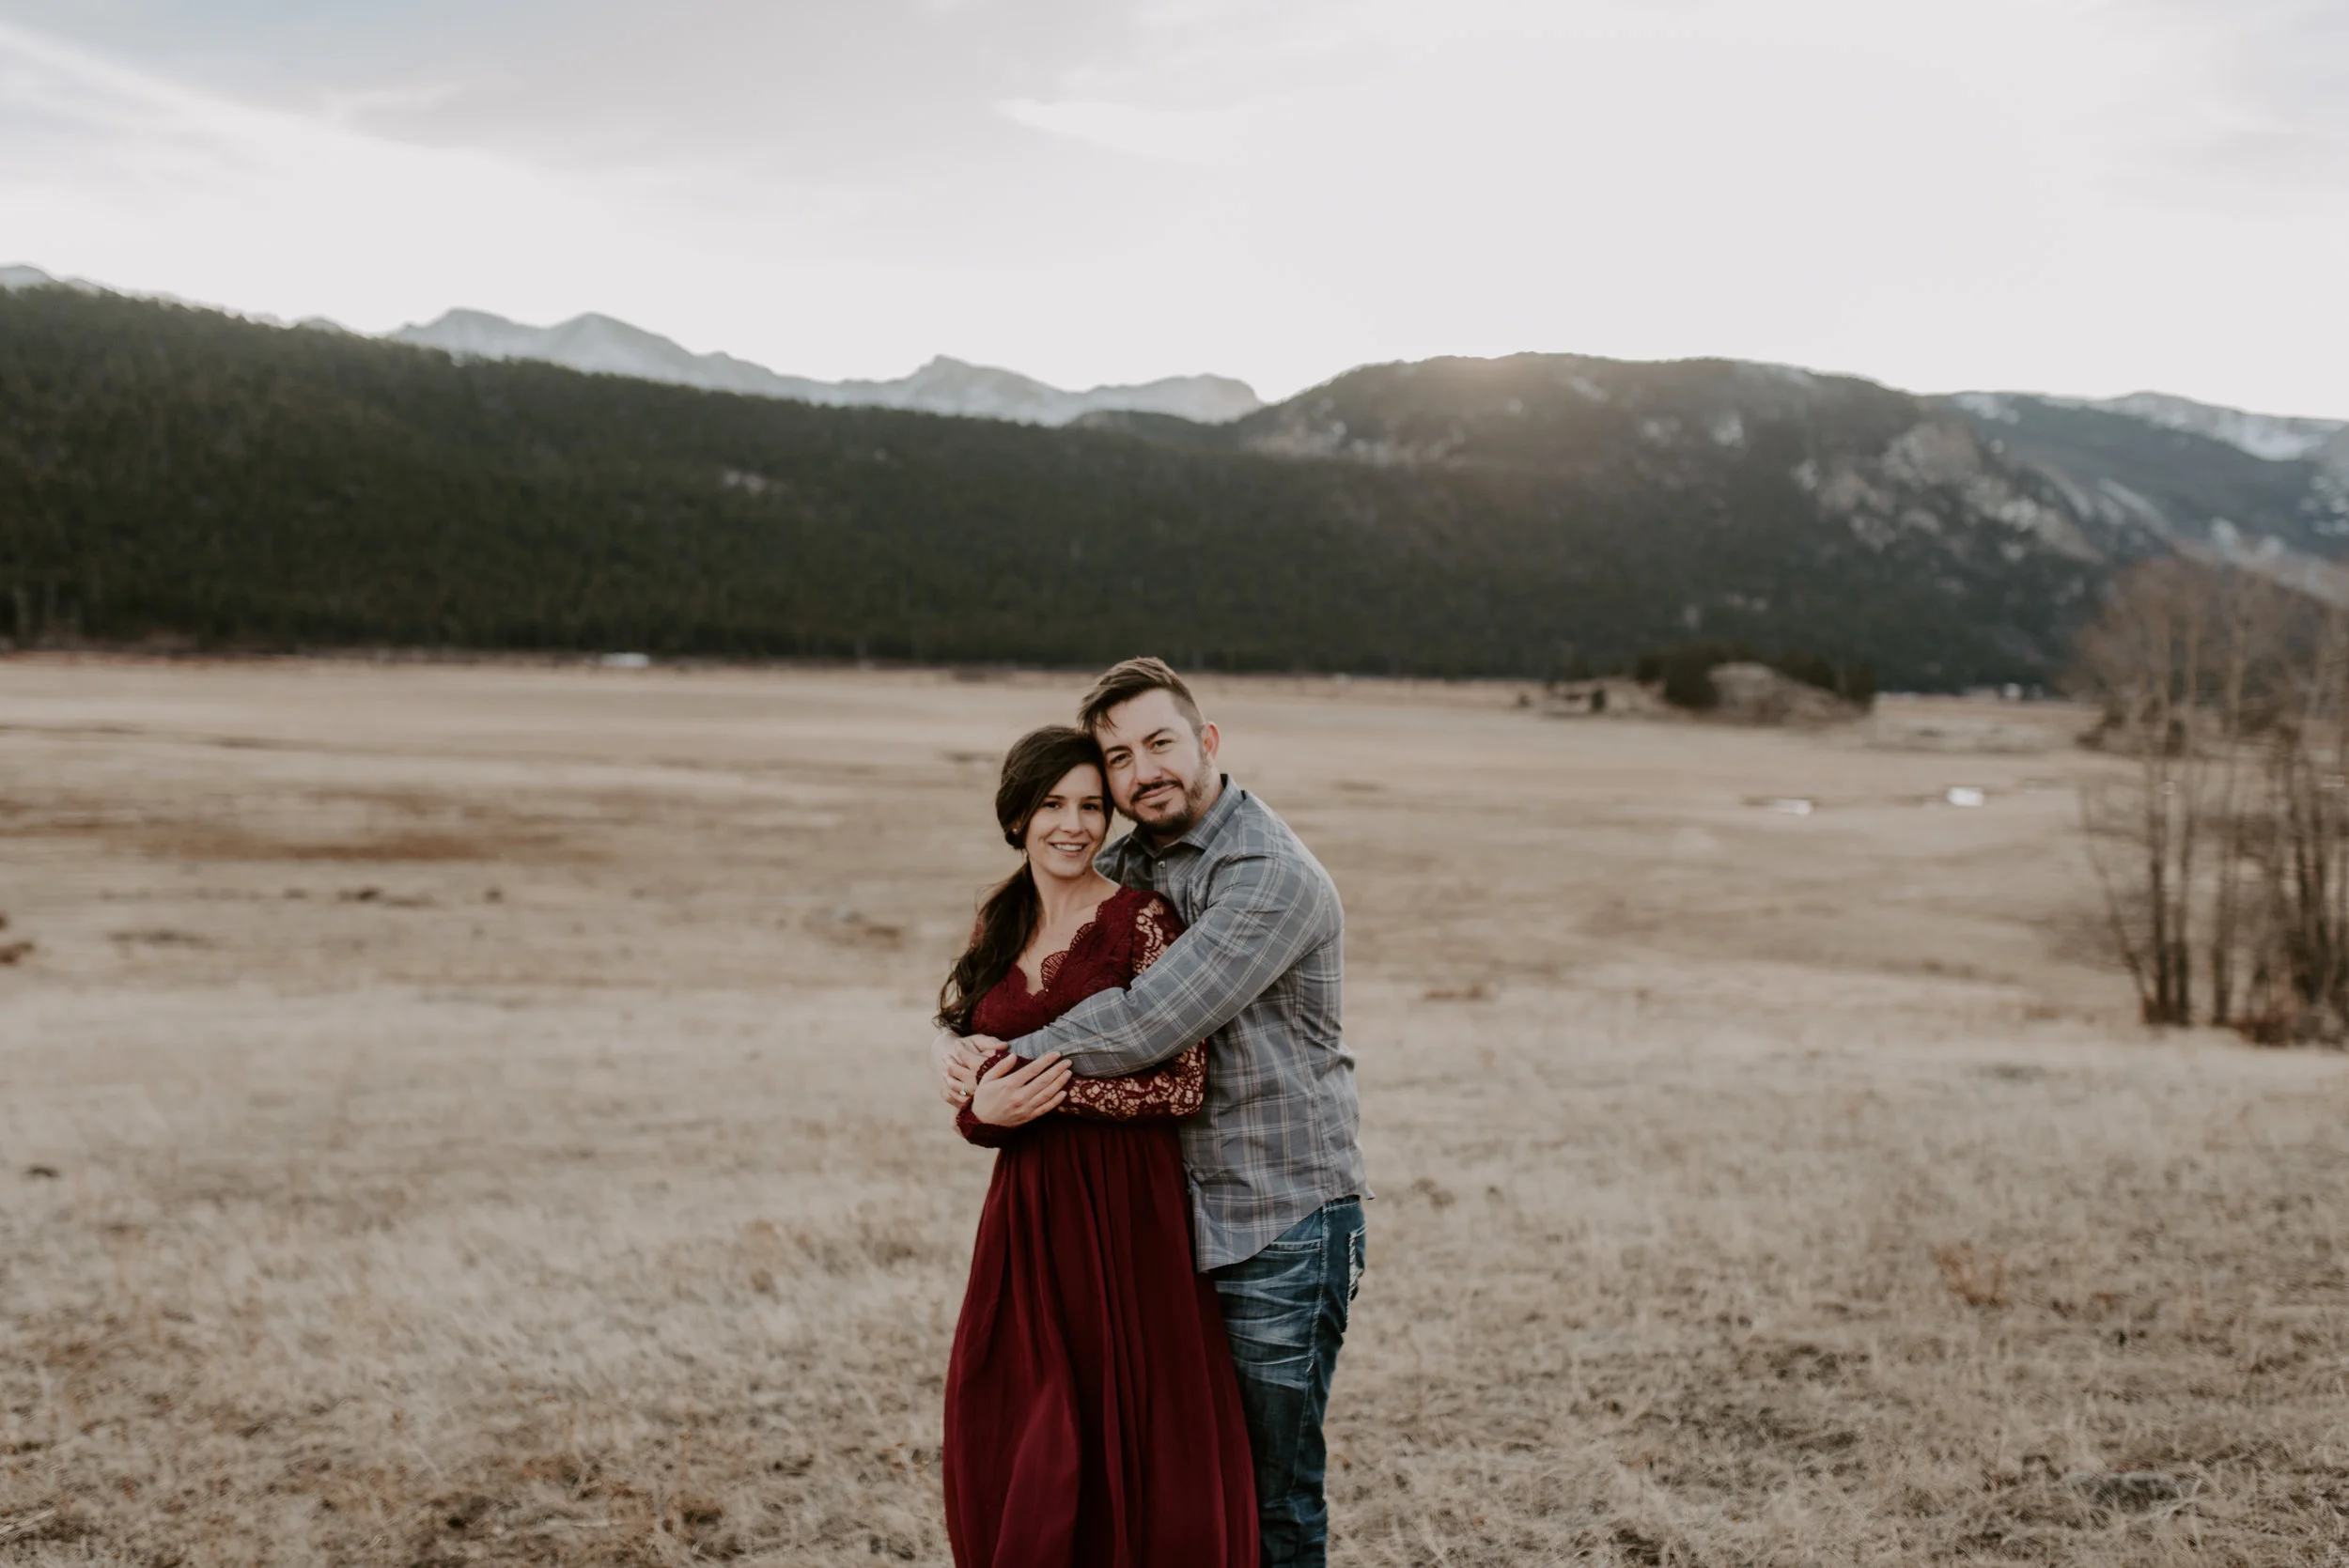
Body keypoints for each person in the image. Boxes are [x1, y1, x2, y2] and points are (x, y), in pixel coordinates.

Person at [937, 659, 1369, 1568]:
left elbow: (1144, 1023)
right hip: (1165, 1220)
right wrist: (959, 1052)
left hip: (1274, 1216)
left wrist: (1000, 1073)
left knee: (1269, 1493)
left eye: (1160, 743)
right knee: (1175, 1474)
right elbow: (1042, 943)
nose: (1140, 773)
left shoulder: (1268, 876)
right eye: (1118, 756)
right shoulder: (1139, 856)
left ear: (1207, 742)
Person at [936, 724, 1258, 1568]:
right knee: (1019, 1423)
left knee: (1134, 1437)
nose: (1074, 825)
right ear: (1017, 817)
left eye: (1089, 805)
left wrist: (1035, 1090)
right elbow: (975, 1091)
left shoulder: (1143, 919)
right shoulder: (996, 923)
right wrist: (983, 1105)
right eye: (1052, 805)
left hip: (1127, 1213)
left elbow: (1183, 1082)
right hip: (1026, 1219)